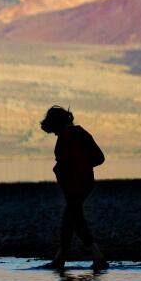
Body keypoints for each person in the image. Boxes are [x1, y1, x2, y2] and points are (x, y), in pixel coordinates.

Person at [44, 105, 108, 270]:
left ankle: (98, 257)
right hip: (84, 182)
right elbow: (99, 158)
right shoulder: (80, 133)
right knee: (70, 218)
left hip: (75, 184)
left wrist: (75, 168)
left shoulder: (68, 136)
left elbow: (70, 163)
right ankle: (60, 258)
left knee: (76, 219)